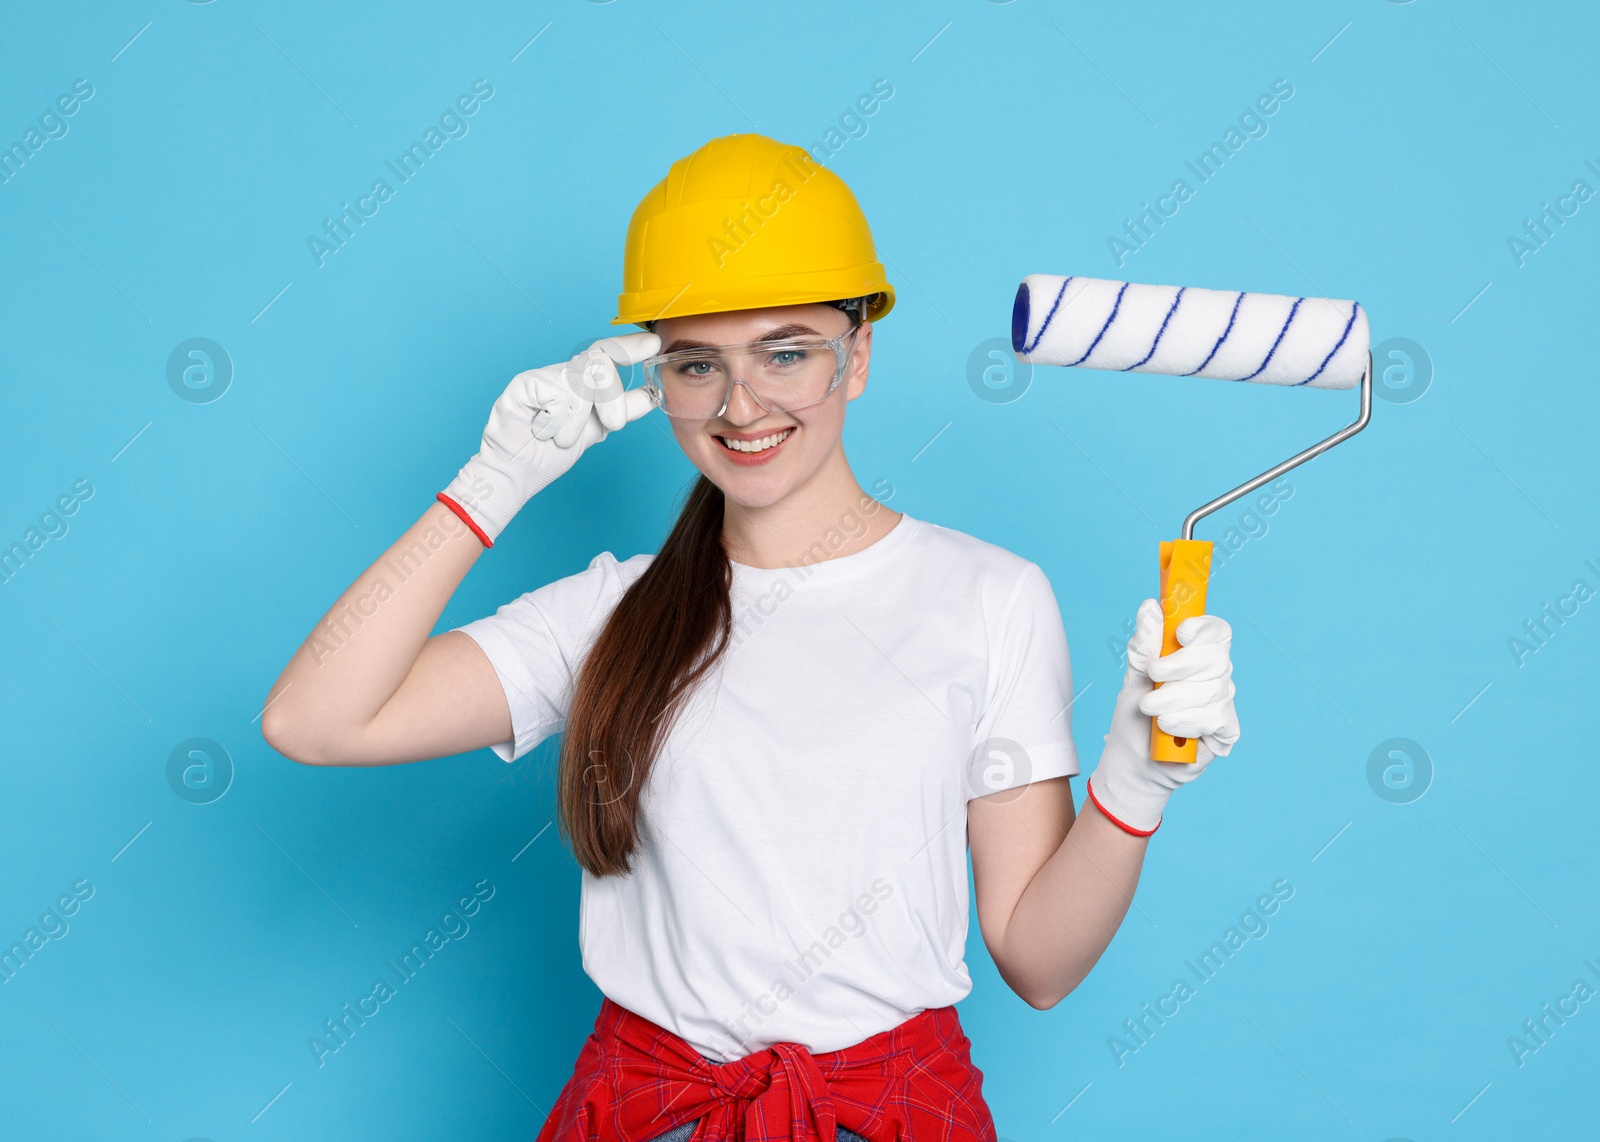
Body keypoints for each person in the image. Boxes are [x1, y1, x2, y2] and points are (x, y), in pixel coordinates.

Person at [261, 133, 1240, 1142]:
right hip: (649, 1115)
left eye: (786, 351)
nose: (742, 405)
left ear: (857, 353)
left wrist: (1131, 785)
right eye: (698, 364)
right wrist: (491, 480)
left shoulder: (989, 596)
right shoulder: (609, 612)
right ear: (657, 377)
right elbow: (313, 719)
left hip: (889, 1117)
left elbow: (1038, 964)